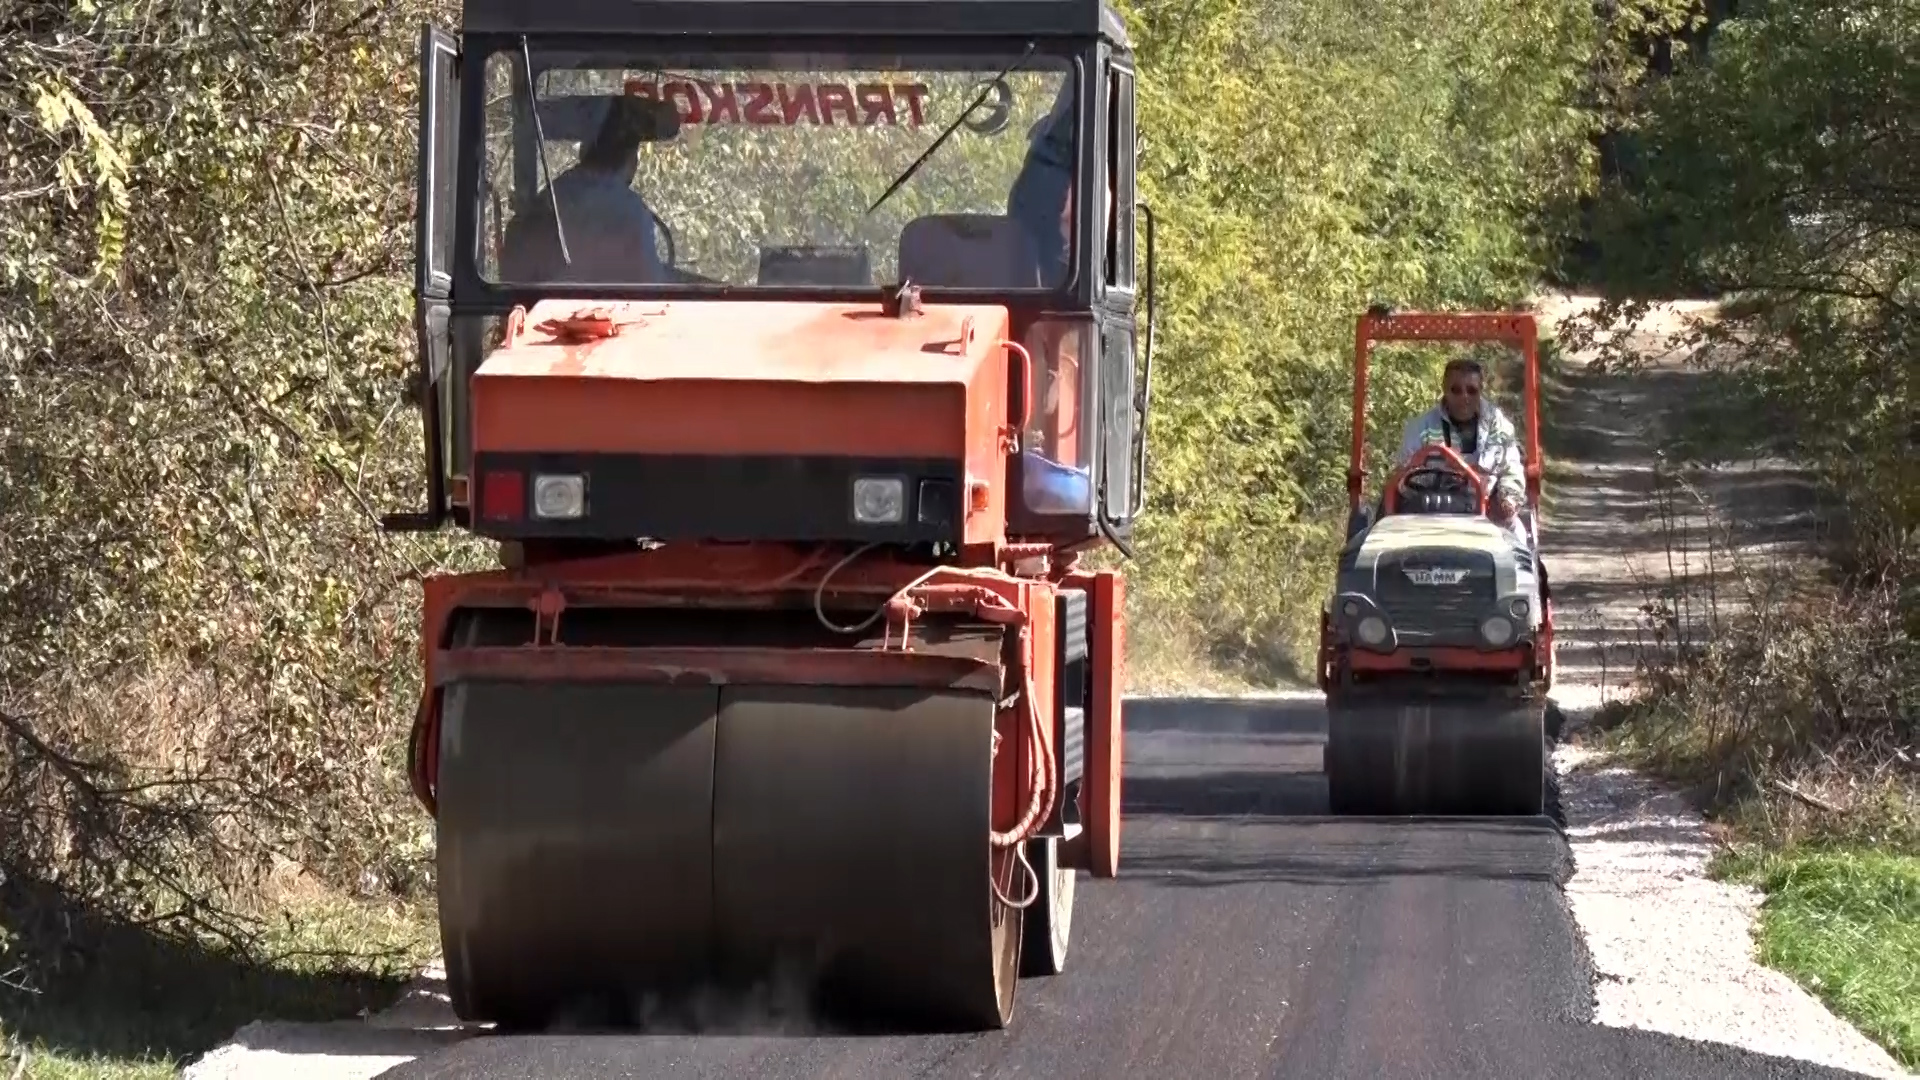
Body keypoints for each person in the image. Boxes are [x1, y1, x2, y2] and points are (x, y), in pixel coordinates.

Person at [499, 94, 674, 284]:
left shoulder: (553, 198)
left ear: (584, 150)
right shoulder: (631, 213)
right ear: (631, 158)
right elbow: (652, 289)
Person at [1394, 357, 1531, 545]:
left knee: (1517, 539)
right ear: (1444, 390)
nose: (1464, 397)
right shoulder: (1421, 427)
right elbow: (1402, 472)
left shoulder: (1498, 426)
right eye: (1456, 390)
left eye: (1471, 390)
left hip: (1487, 510)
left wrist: (1508, 498)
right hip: (1430, 511)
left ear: (1480, 391)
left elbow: (1511, 467)